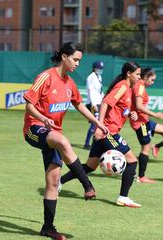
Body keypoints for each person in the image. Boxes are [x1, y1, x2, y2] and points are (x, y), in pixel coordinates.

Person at [23, 42, 108, 240]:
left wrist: (97, 122)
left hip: (53, 133)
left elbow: (79, 105)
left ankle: (48, 228)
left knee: (53, 183)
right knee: (62, 141)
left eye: (80, 60)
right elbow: (28, 105)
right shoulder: (45, 77)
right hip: (34, 129)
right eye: (75, 59)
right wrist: (43, 118)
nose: (78, 63)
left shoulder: (69, 83)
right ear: (64, 57)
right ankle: (87, 185)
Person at [60, 61, 142, 208]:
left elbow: (119, 108)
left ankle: (59, 182)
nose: (139, 77)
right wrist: (100, 126)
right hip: (108, 131)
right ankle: (123, 197)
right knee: (132, 161)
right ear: (129, 74)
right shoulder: (122, 86)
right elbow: (105, 103)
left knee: (91, 166)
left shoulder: (128, 88)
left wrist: (131, 113)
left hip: (105, 131)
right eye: (137, 74)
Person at [129, 67, 163, 184]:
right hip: (140, 123)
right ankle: (141, 176)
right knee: (145, 148)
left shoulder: (141, 86)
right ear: (145, 77)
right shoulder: (139, 87)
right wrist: (155, 114)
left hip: (144, 120)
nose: (153, 82)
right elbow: (139, 106)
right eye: (152, 80)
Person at [84, 60, 105, 149]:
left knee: (98, 122)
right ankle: (87, 144)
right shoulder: (91, 77)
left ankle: (95, 143)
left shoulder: (99, 77)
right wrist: (93, 104)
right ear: (94, 68)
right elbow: (90, 91)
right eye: (99, 68)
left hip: (99, 102)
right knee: (95, 123)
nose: (100, 70)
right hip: (93, 103)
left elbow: (100, 91)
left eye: (101, 68)